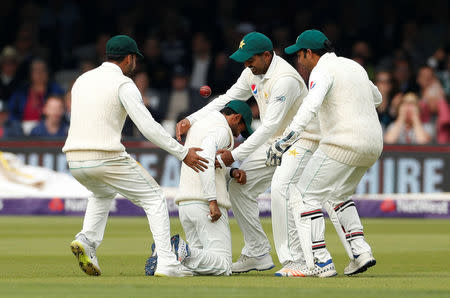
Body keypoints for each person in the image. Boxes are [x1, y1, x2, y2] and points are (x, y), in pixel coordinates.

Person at [63, 35, 208, 277]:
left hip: (74, 160)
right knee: (155, 199)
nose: (135, 64)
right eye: (135, 59)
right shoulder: (124, 84)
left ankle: (87, 239)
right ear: (129, 59)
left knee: (102, 192)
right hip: (105, 156)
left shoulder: (81, 80)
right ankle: (167, 263)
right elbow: (148, 127)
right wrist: (182, 153)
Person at [176, 32, 321, 273]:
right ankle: (257, 252)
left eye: (250, 59)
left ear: (267, 55)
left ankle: (296, 259)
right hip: (275, 142)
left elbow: (270, 127)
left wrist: (233, 155)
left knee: (283, 191)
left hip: (302, 142)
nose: (246, 64)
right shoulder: (251, 72)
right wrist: (191, 119)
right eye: (244, 60)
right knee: (239, 187)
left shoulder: (285, 79)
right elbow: (228, 98)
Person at [268, 29, 383, 277]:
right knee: (338, 195)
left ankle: (321, 261)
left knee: (303, 194)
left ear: (310, 53)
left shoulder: (321, 71)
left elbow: (311, 105)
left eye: (299, 54)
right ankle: (361, 252)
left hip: (342, 143)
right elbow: (377, 97)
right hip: (373, 143)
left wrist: (285, 139)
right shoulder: (354, 66)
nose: (298, 60)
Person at [146, 100, 251, 276]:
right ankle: (174, 252)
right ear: (236, 117)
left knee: (197, 266)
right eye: (242, 128)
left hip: (186, 204)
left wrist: (231, 172)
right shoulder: (223, 129)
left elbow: (206, 161)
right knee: (223, 265)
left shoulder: (200, 123)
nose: (239, 134)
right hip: (204, 203)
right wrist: (212, 200)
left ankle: (168, 259)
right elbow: (206, 155)